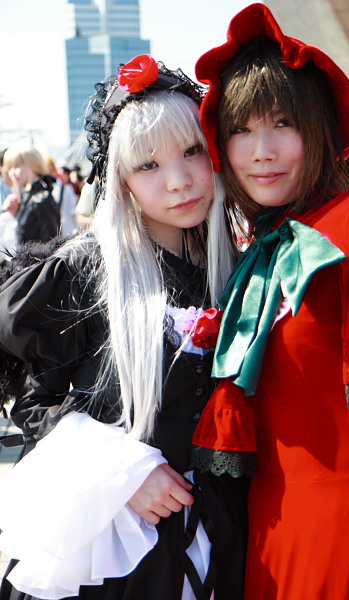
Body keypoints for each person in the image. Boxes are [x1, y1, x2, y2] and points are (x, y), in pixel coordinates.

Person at [0, 54, 249, 600]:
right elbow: (35, 403)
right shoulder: (87, 271)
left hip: (226, 541)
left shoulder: (245, 266)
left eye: (193, 151)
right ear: (121, 181)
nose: (179, 181)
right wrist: (124, 473)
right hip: (116, 550)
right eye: (148, 165)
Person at [191, 4, 349, 599]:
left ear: (321, 128)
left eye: (282, 123)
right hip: (271, 544)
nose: (261, 150)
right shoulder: (253, 250)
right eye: (240, 129)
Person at [2, 146, 60, 244]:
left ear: (32, 165)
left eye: (16, 166)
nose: (12, 173)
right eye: (10, 168)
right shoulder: (27, 195)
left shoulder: (42, 199)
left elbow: (51, 244)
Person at [44, 156, 78, 235]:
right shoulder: (64, 187)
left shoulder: (63, 188)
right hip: (63, 230)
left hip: (65, 231)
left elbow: (74, 210)